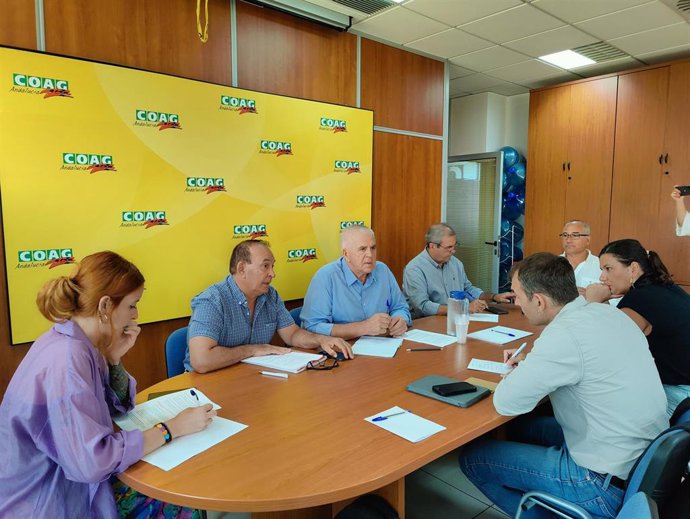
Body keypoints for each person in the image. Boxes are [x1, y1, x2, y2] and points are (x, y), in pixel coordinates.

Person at [0, 251, 216, 519]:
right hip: (49, 501)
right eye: (132, 305)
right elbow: (92, 462)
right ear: (105, 306)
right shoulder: (67, 359)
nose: (135, 315)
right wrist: (170, 428)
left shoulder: (78, 342)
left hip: (72, 482)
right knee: (182, 503)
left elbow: (117, 408)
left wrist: (114, 360)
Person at [460, 252, 667, 519]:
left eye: (517, 295)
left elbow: (506, 402)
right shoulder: (608, 314)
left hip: (601, 483)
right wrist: (535, 365)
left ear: (538, 300)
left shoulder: (563, 334)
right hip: (643, 464)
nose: (518, 303)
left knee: (473, 458)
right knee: (522, 427)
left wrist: (517, 371)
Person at [186, 239, 352, 373]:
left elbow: (292, 334)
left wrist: (322, 340)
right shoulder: (212, 301)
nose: (273, 273)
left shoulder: (270, 295)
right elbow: (201, 361)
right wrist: (252, 350)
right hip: (207, 385)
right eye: (265, 266)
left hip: (249, 376)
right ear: (241, 268)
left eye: (272, 266)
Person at [585, 239, 690, 416]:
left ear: (633, 269)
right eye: (601, 270)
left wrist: (593, 303)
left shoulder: (638, 301)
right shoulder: (664, 288)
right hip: (682, 387)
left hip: (679, 396)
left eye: (608, 269)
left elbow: (600, 351)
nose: (602, 277)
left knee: (590, 400)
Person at [300, 225, 411, 339]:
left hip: (384, 344)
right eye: (362, 249)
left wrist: (401, 320)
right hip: (343, 349)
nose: (370, 254)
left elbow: (400, 307)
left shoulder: (383, 271)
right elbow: (312, 327)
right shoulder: (326, 277)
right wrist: (363, 327)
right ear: (346, 254)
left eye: (373, 248)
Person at [403, 223, 513, 319]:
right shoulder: (414, 269)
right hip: (426, 324)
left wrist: (494, 297)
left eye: (455, 246)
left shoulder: (455, 263)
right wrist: (464, 308)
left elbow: (468, 290)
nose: (453, 251)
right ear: (432, 246)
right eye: (449, 247)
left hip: (455, 319)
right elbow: (423, 307)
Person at [559, 220, 601, 289]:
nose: (568, 240)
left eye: (575, 235)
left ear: (588, 240)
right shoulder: (551, 264)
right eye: (565, 235)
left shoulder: (600, 265)